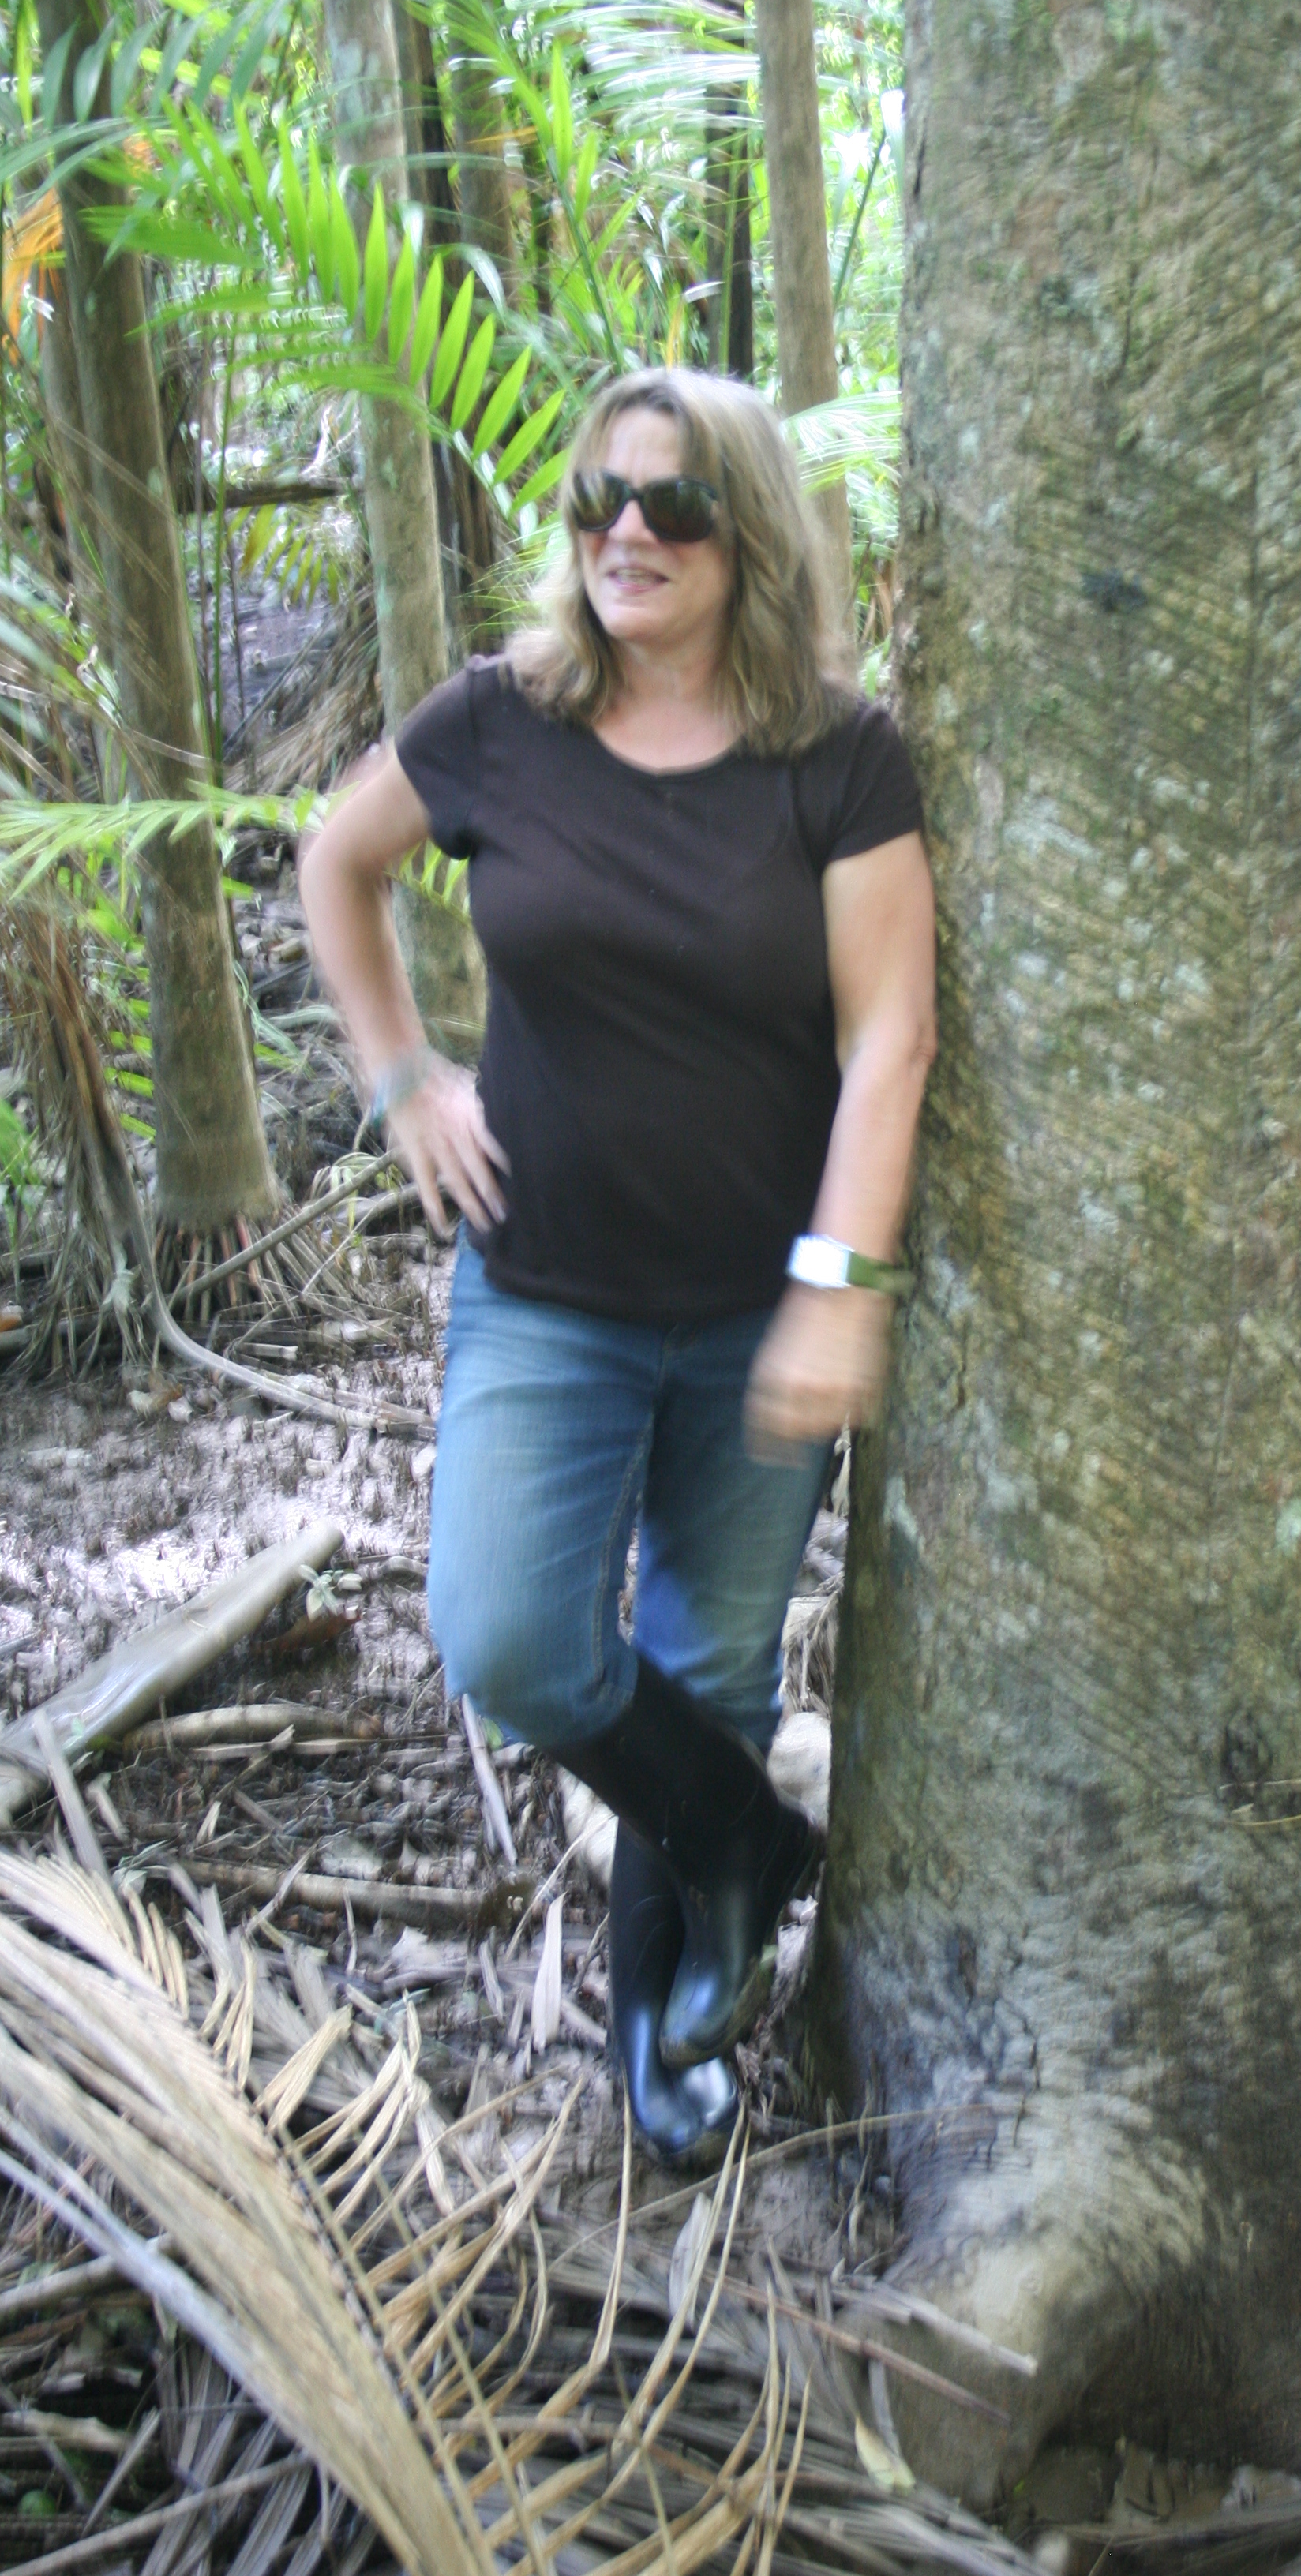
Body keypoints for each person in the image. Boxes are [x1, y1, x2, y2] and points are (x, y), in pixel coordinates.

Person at [300, 366, 936, 2164]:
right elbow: (336, 867)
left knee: (710, 1664)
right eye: (597, 503)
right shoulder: (503, 723)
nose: (626, 536)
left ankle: (665, 2032)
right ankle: (742, 1845)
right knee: (507, 1634)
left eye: (668, 505)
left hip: (757, 1302)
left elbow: (890, 1039)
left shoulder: (836, 753)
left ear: (748, 532)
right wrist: (406, 1073)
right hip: (544, 1293)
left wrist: (841, 1284)